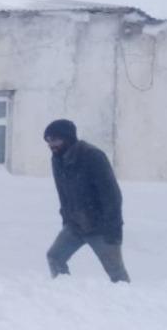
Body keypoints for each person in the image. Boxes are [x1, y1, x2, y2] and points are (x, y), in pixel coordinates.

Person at [43, 119, 129, 283]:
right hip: (75, 225)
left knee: (117, 274)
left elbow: (112, 195)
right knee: (55, 257)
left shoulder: (92, 156)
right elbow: (63, 194)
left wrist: (113, 229)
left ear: (68, 138)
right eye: (48, 140)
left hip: (101, 227)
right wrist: (66, 219)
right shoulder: (57, 159)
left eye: (55, 139)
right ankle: (65, 292)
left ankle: (128, 303)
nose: (51, 144)